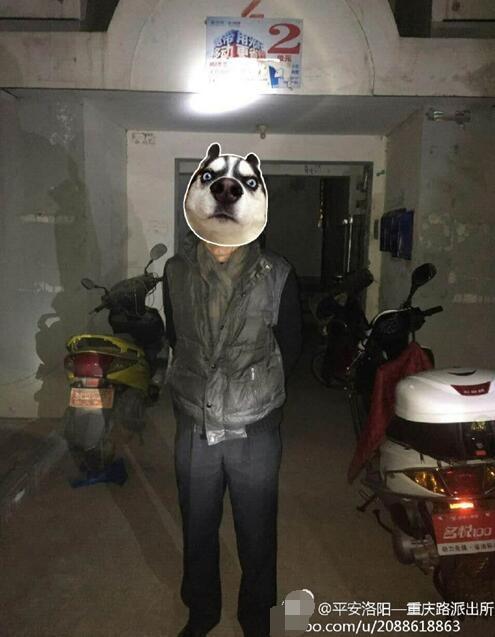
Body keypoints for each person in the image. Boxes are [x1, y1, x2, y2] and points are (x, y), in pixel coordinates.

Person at [162, 230, 302, 637]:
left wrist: (250, 391)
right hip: (195, 423)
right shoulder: (176, 271)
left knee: (257, 532)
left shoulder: (276, 274)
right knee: (197, 526)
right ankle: (202, 610)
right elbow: (176, 337)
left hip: (253, 427)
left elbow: (291, 345)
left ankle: (257, 619)